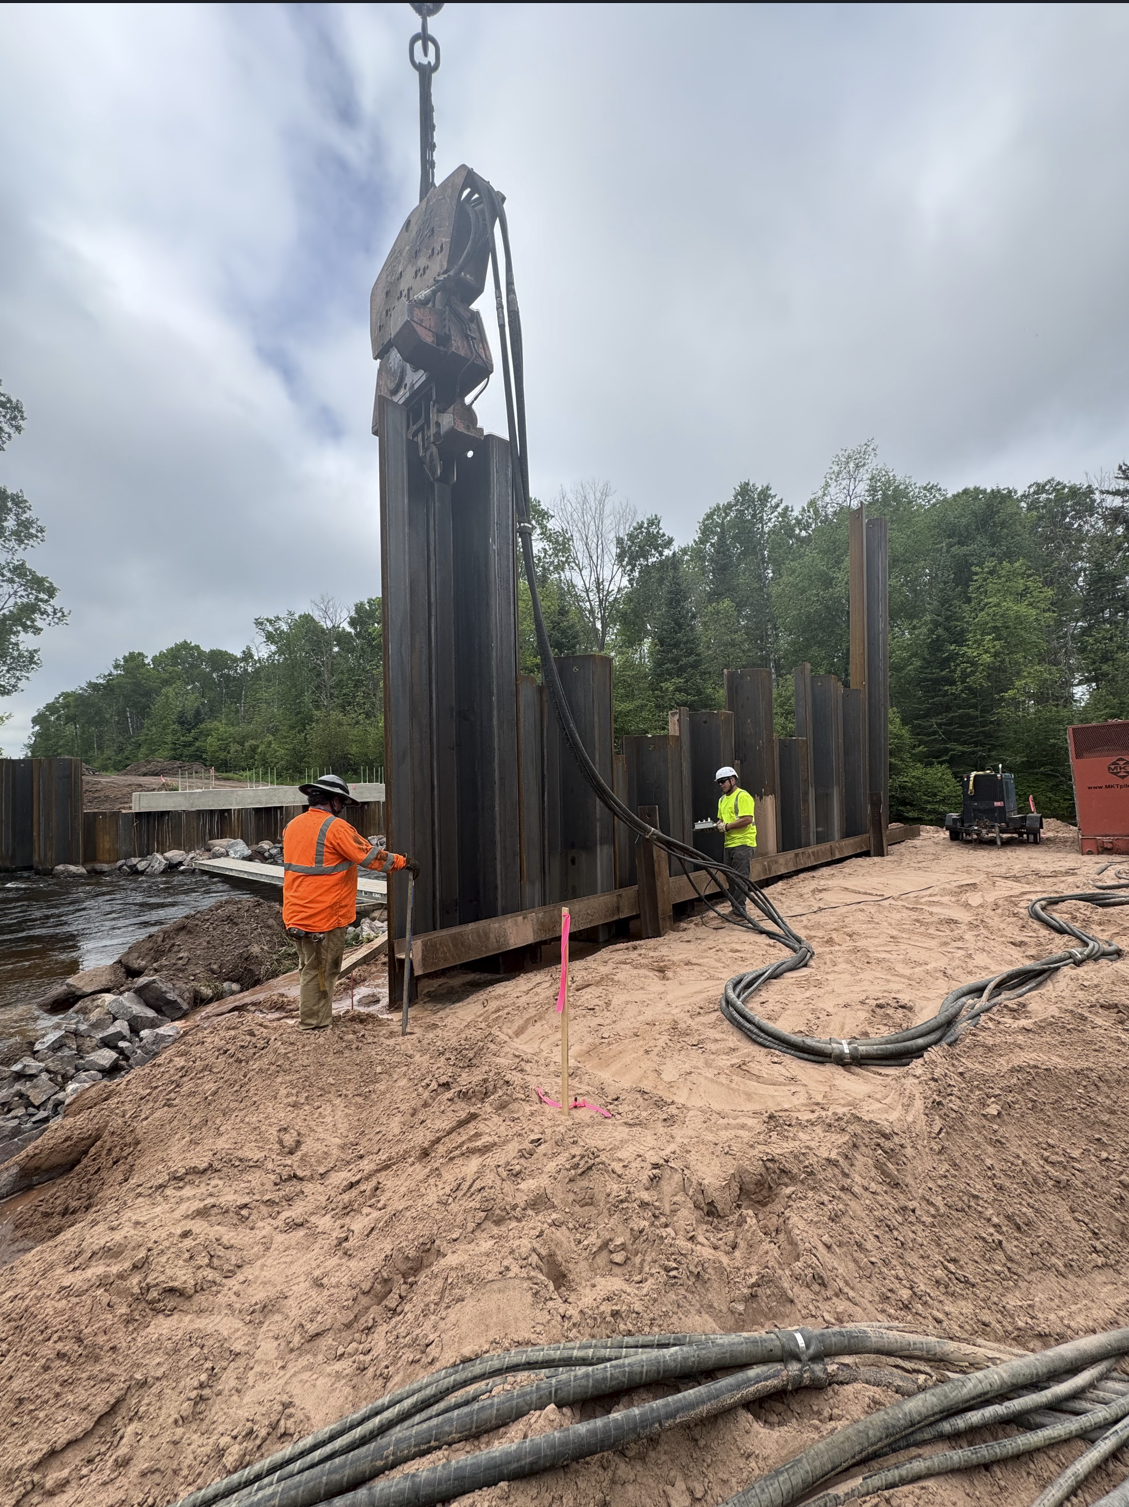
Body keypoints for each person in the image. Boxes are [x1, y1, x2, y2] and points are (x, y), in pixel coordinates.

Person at [282, 774, 419, 1031]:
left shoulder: (292, 826)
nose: (342, 808)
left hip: (296, 913)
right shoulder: (335, 828)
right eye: (342, 803)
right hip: (324, 917)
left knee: (309, 968)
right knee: (321, 972)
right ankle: (314, 1025)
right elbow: (371, 857)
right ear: (334, 801)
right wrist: (403, 862)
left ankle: (314, 1020)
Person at [715, 765, 756, 918]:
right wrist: (717, 825)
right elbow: (721, 819)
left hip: (743, 843)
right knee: (730, 878)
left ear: (732, 780)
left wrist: (727, 826)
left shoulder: (742, 796)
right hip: (729, 844)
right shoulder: (721, 800)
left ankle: (740, 911)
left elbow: (747, 819)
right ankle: (736, 908)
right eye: (718, 782)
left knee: (739, 878)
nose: (721, 785)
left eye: (723, 781)